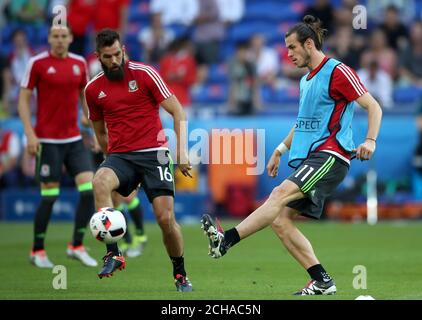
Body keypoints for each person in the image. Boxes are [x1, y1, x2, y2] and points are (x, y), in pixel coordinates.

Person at [201, 15, 382, 296]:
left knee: (278, 195)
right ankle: (322, 281)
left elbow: (373, 106)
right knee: (280, 219)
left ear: (309, 44)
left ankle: (227, 240)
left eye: (292, 48)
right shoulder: (306, 80)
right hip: (313, 157)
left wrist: (370, 140)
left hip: (331, 156)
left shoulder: (337, 71)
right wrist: (279, 150)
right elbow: (302, 123)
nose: (288, 55)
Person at [84, 29, 193, 292]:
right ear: (98, 56)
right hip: (121, 156)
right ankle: (114, 253)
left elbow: (177, 110)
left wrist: (182, 153)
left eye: (118, 54)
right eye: (108, 57)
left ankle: (180, 273)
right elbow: (99, 131)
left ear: (124, 50)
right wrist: (110, 158)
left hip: (154, 154)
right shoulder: (93, 89)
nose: (114, 61)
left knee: (165, 220)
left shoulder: (145, 74)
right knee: (99, 182)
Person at [18, 25, 98, 268]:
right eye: (55, 36)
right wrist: (30, 135)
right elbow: (23, 101)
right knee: (50, 196)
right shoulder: (37, 63)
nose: (60, 40)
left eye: (64, 36)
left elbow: (84, 94)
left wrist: (89, 122)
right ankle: (37, 250)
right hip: (47, 141)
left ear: (71, 38)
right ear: (49, 38)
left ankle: (76, 245)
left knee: (88, 190)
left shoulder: (79, 63)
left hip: (73, 139)